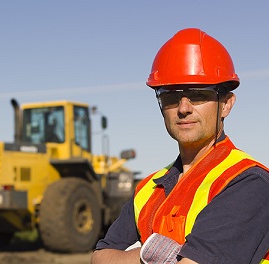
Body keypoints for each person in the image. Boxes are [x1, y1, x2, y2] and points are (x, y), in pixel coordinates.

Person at [91, 28, 269, 264]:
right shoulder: (148, 189)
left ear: (226, 104)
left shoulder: (247, 183)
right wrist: (148, 254)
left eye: (198, 94)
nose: (183, 108)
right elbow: (99, 258)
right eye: (170, 96)